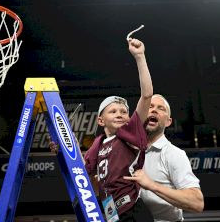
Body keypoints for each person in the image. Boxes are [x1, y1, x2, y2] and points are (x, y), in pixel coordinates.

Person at [50, 37, 154, 221]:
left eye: (124, 111)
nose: (119, 114)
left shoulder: (129, 134)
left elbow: (146, 96)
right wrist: (65, 147)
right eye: (112, 111)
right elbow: (81, 168)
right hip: (110, 211)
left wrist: (140, 57)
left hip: (131, 209)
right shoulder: (99, 143)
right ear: (100, 120)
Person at [124, 94, 204, 221]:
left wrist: (151, 185)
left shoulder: (174, 154)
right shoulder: (125, 150)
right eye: (150, 106)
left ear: (168, 122)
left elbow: (197, 202)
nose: (154, 110)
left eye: (161, 108)